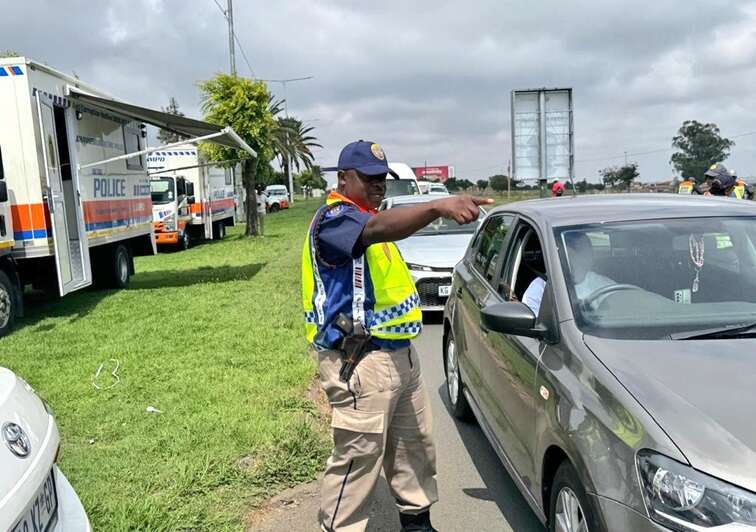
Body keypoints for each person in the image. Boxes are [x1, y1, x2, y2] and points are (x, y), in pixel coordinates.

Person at [302, 140, 491, 532]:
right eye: (368, 178)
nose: (378, 185)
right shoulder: (337, 219)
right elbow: (375, 229)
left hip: (400, 358)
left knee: (414, 449)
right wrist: (438, 205)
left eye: (382, 178)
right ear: (343, 178)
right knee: (358, 458)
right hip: (361, 361)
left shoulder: (367, 215)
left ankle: (418, 525)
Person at [522, 232, 614, 314]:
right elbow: (534, 325)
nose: (589, 255)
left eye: (589, 250)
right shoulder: (541, 287)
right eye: (581, 250)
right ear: (566, 253)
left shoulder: (606, 285)